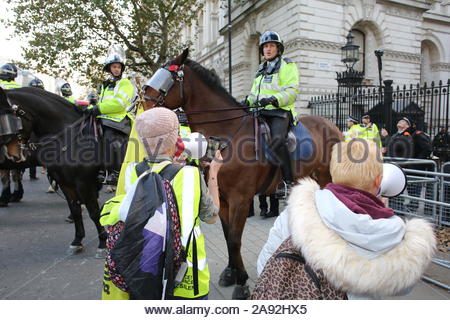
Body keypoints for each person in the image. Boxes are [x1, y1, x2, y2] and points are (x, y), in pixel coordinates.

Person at [252, 139, 436, 299]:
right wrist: (380, 212)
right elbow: (403, 286)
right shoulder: (393, 233)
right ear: (379, 182)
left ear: (334, 171)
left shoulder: (296, 211)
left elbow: (265, 265)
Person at [102, 107, 221, 300]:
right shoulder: (190, 174)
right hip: (187, 279)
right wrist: (214, 172)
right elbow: (213, 217)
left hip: (144, 273)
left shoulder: (132, 172)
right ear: (175, 139)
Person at [243, 31, 299, 197]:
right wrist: (247, 101)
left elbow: (292, 91)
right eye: (265, 46)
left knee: (277, 140)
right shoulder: (261, 69)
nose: (268, 49)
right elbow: (255, 94)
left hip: (280, 112)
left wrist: (274, 100)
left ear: (278, 48)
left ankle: (288, 183)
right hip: (261, 112)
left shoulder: (287, 65)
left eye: (271, 46)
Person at [85, 50, 135, 185]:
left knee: (109, 137)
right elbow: (101, 102)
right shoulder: (105, 85)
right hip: (105, 118)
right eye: (114, 67)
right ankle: (99, 170)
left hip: (119, 120)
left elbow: (120, 104)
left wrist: (98, 109)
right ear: (109, 68)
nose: (116, 69)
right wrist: (89, 109)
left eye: (118, 67)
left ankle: (116, 172)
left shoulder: (125, 83)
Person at [0, 63, 24, 206]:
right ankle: (17, 188)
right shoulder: (19, 89)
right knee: (16, 159)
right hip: (16, 126)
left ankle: (5, 191)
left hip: (2, 126)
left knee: (2, 162)